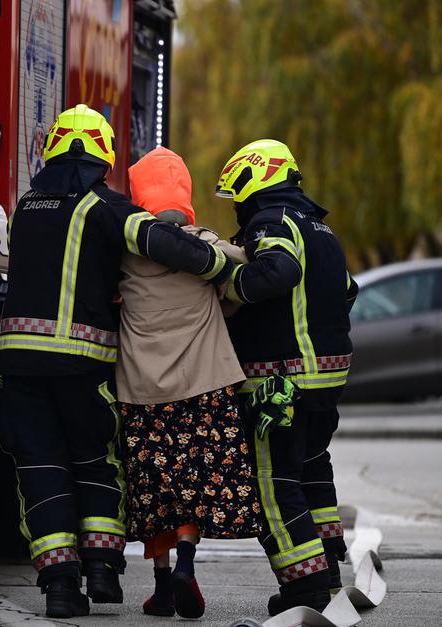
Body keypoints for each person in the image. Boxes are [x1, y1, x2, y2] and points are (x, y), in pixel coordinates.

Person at [0, 104, 238, 619]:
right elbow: (162, 244)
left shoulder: (24, 207)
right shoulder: (103, 206)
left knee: (40, 471)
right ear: (103, 154)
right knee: (94, 463)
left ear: (53, 147)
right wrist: (216, 262)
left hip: (19, 367)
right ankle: (102, 570)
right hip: (82, 367)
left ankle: (61, 588)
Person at [116, 147, 262, 619]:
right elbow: (243, 281)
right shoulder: (205, 247)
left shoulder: (126, 256)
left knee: (154, 488)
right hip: (203, 386)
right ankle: (186, 563)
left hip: (142, 392)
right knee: (195, 480)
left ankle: (161, 587)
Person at [215, 139, 358, 615]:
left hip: (282, 385)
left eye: (237, 195)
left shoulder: (271, 222)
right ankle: (329, 569)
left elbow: (278, 269)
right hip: (324, 382)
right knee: (312, 470)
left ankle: (305, 587)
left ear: (252, 181)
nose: (237, 207)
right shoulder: (322, 229)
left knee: (273, 485)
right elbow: (347, 291)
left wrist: (229, 290)